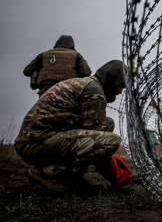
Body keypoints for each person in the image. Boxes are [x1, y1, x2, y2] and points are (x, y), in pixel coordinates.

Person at [15, 60, 127, 193]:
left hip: (37, 140)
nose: (120, 91)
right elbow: (97, 142)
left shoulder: (88, 84)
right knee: (112, 140)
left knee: (107, 124)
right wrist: (114, 173)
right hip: (35, 144)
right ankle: (51, 174)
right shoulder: (94, 92)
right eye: (120, 85)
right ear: (111, 79)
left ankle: (69, 177)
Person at [23, 35, 91, 96]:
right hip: (67, 90)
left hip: (45, 91)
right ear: (72, 45)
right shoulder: (76, 55)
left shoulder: (44, 55)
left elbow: (27, 71)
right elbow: (86, 73)